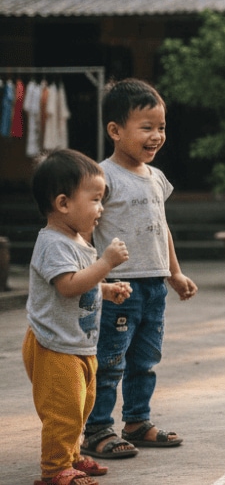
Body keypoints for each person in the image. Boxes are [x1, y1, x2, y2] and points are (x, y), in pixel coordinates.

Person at [82, 79, 198, 460]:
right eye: (146, 127)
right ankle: (98, 429)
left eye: (161, 127)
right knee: (110, 361)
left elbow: (160, 225)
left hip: (153, 288)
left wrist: (174, 273)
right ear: (115, 131)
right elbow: (83, 233)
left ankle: (137, 421)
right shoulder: (102, 178)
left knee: (145, 360)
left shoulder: (156, 178)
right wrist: (95, 278)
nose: (156, 136)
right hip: (119, 289)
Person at [24, 149, 134, 485]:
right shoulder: (53, 243)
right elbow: (68, 286)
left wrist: (104, 288)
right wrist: (106, 264)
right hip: (54, 346)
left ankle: (70, 457)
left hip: (78, 343)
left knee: (81, 406)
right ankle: (55, 470)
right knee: (63, 411)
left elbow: (79, 283)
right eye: (96, 199)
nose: (101, 208)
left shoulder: (75, 241)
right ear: (63, 203)